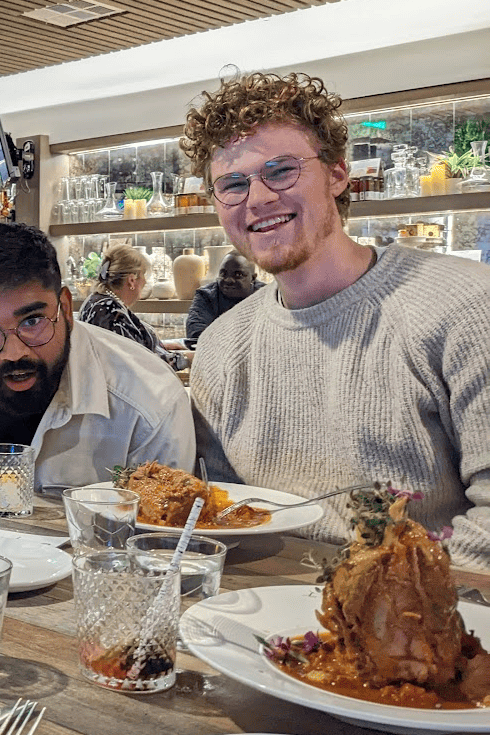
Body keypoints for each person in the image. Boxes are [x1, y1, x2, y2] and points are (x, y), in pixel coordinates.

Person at [182, 71, 490, 568]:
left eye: (281, 171)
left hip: (430, 624)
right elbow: (223, 523)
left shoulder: (466, 307)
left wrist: (367, 605)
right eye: (233, 185)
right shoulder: (220, 348)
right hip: (258, 622)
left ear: (338, 174)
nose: (257, 198)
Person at [0, 221, 194, 486]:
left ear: (64, 307)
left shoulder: (148, 403)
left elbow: (161, 530)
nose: (14, 354)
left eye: (32, 321)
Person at [78, 242, 189, 371]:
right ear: (132, 280)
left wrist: (163, 346)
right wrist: (187, 358)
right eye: (143, 274)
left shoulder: (98, 301)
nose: (145, 281)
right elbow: (139, 365)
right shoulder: (110, 311)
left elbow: (128, 346)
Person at [184, 250, 262, 346]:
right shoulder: (206, 295)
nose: (228, 280)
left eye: (238, 275)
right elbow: (196, 334)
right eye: (223, 274)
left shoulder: (267, 295)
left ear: (253, 278)